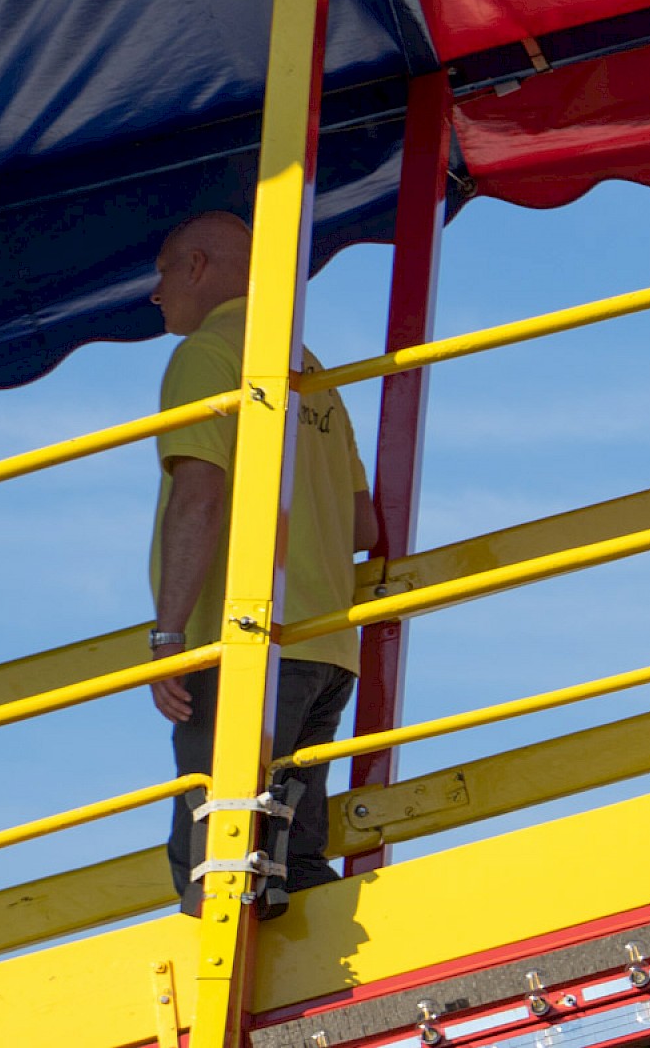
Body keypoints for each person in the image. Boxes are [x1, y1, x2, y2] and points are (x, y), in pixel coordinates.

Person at [148, 211, 376, 915]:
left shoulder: (212, 354)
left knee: (216, 859)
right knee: (292, 852)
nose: (156, 295)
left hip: (248, 641)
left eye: (161, 274)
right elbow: (364, 522)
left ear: (195, 265)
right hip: (327, 646)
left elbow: (200, 494)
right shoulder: (309, 369)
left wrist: (169, 634)